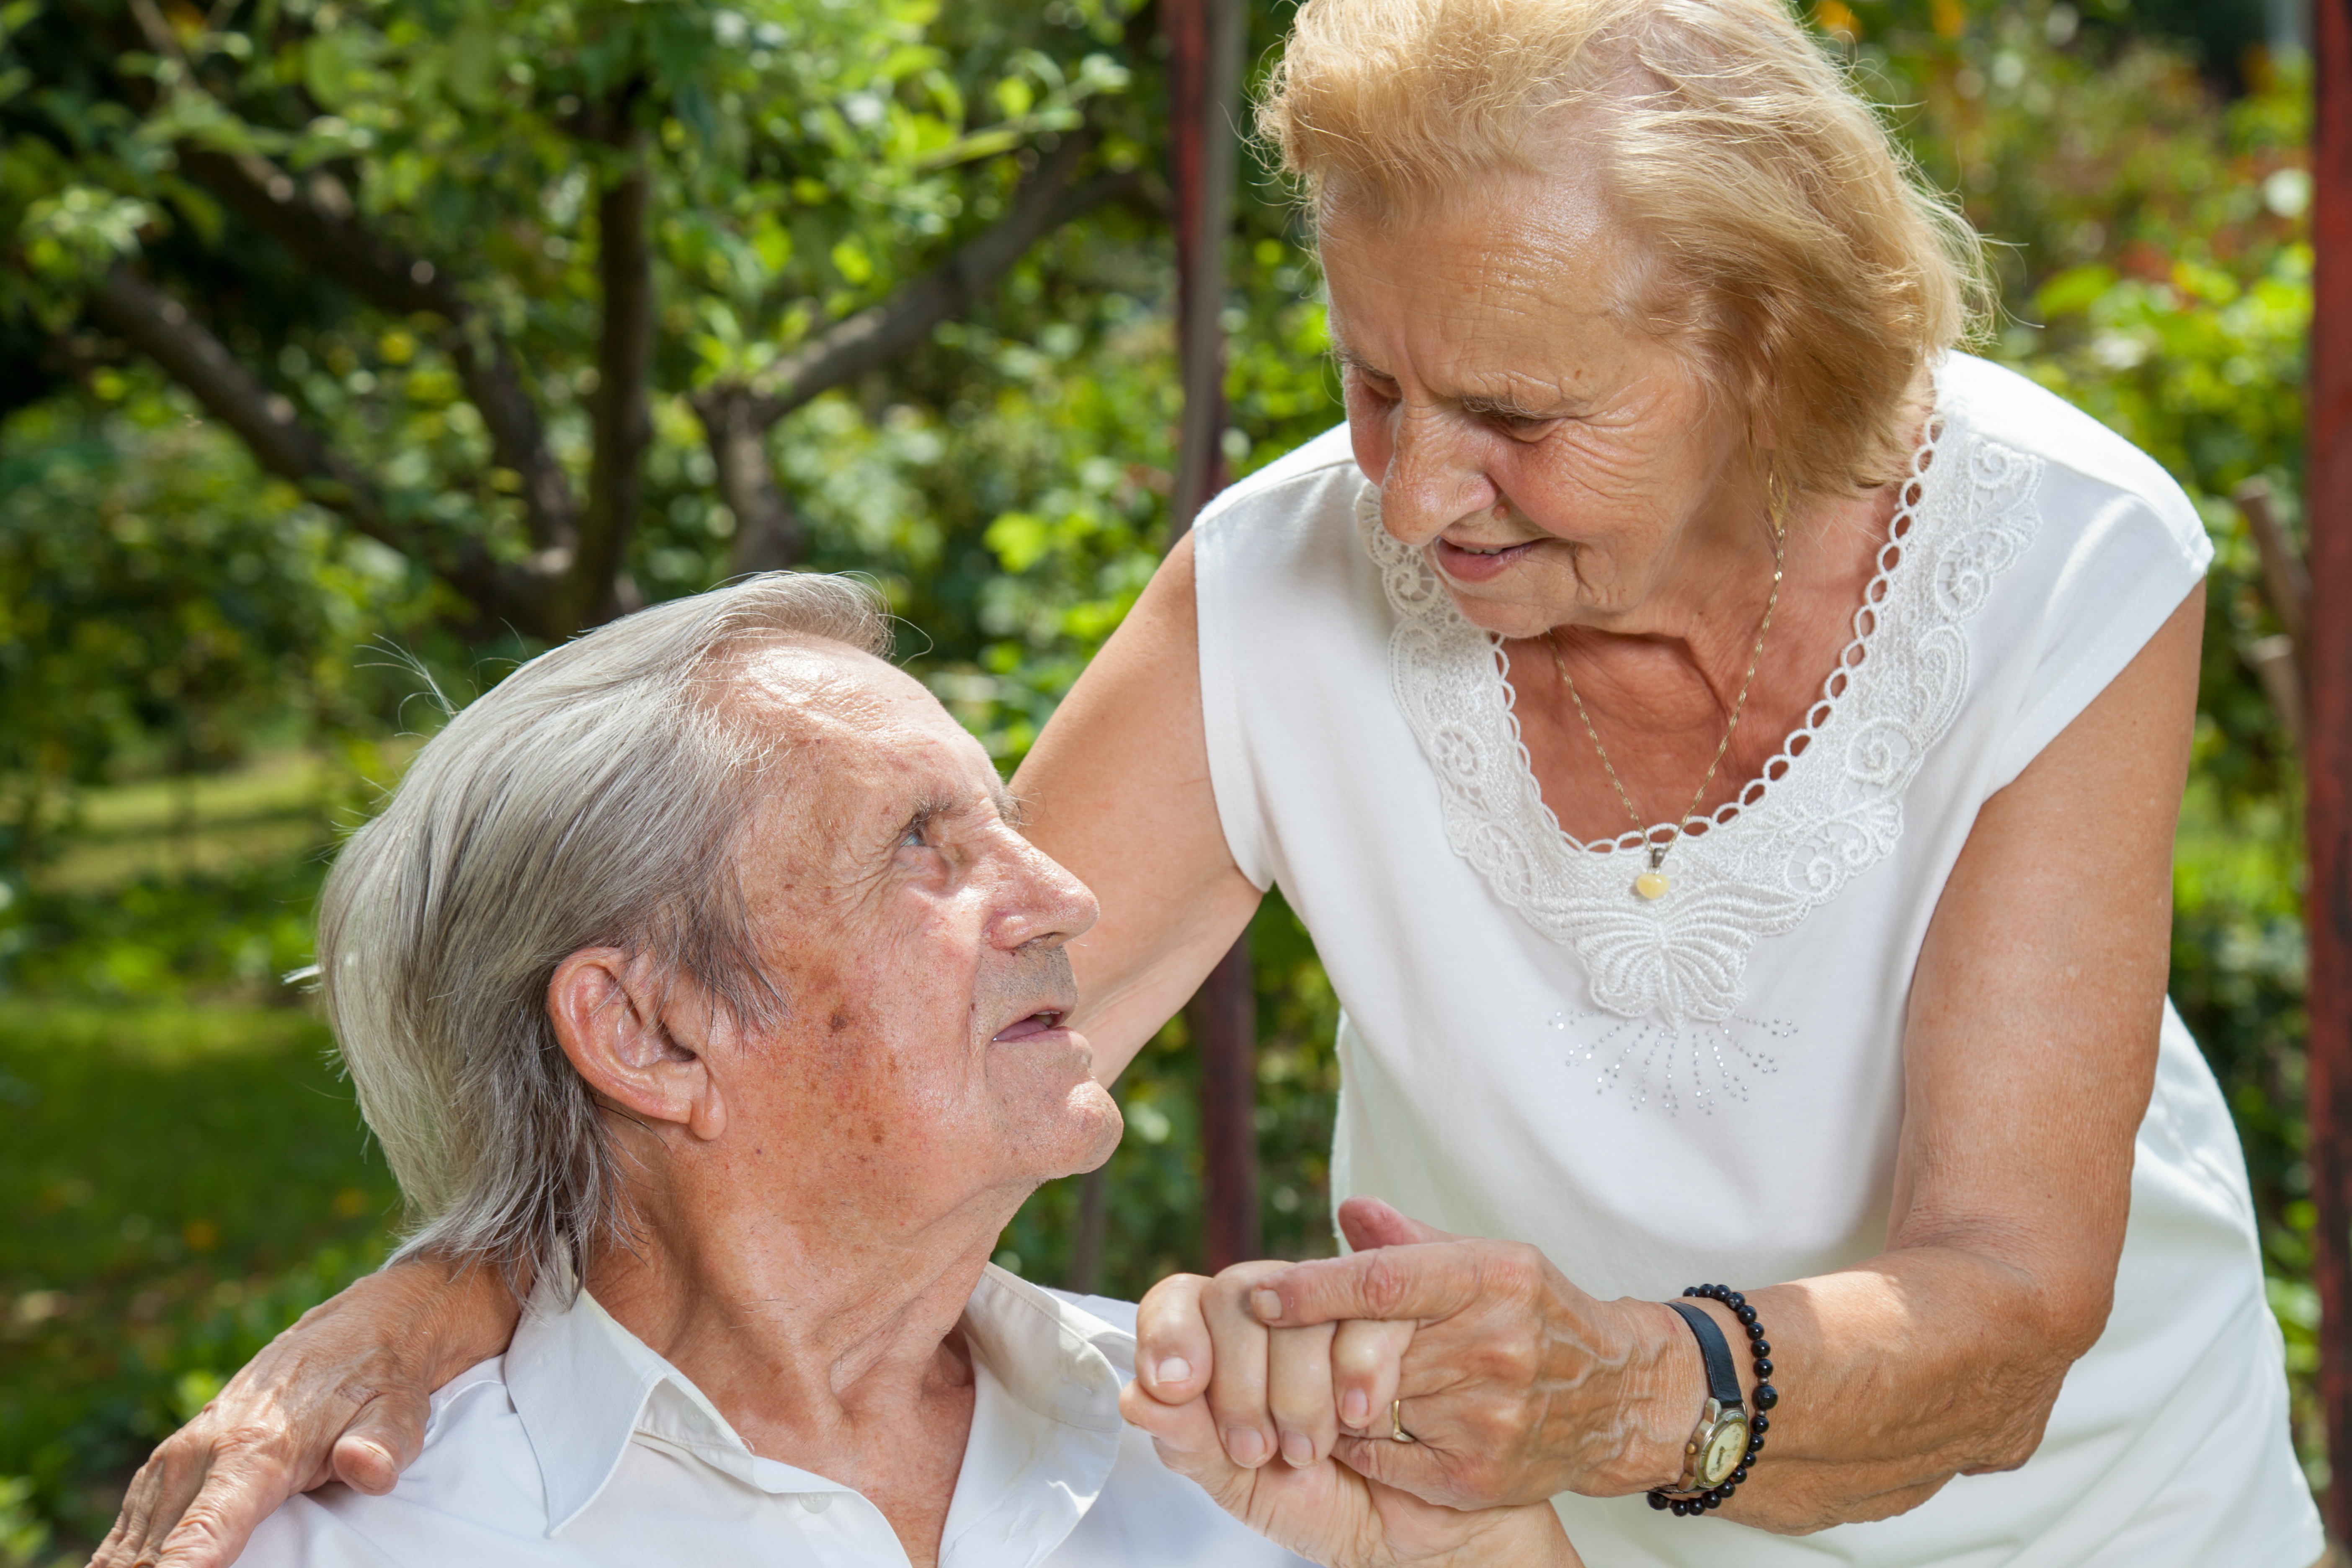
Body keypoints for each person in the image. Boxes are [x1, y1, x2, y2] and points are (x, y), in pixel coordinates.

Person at [96, 0, 2320, 1564]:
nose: (1418, 493)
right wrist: (437, 1290)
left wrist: (1613, 1390)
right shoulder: (1287, 587)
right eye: (1369, 378)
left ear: (1774, 355)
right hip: (1512, 1532)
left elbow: (2008, 1305)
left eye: (1517, 418)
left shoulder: (2057, 551)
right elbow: (862, 1071)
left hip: (2079, 1517)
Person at [209, 574, 1580, 1568]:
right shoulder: (362, 1546)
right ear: (651, 1035)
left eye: (1005, 824)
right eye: (924, 846)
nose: (1067, 898)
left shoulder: (1238, 1458)